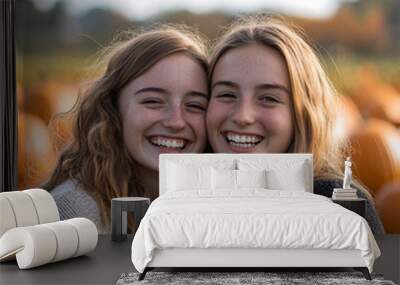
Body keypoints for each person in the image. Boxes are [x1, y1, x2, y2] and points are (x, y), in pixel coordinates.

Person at [206, 15, 384, 234]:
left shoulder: (337, 202)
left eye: (269, 98)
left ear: (303, 114)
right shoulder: (186, 196)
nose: (243, 116)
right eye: (226, 94)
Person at [43, 25, 209, 233]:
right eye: (153, 101)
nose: (176, 122)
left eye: (195, 105)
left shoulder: (216, 208)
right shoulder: (77, 212)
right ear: (112, 107)